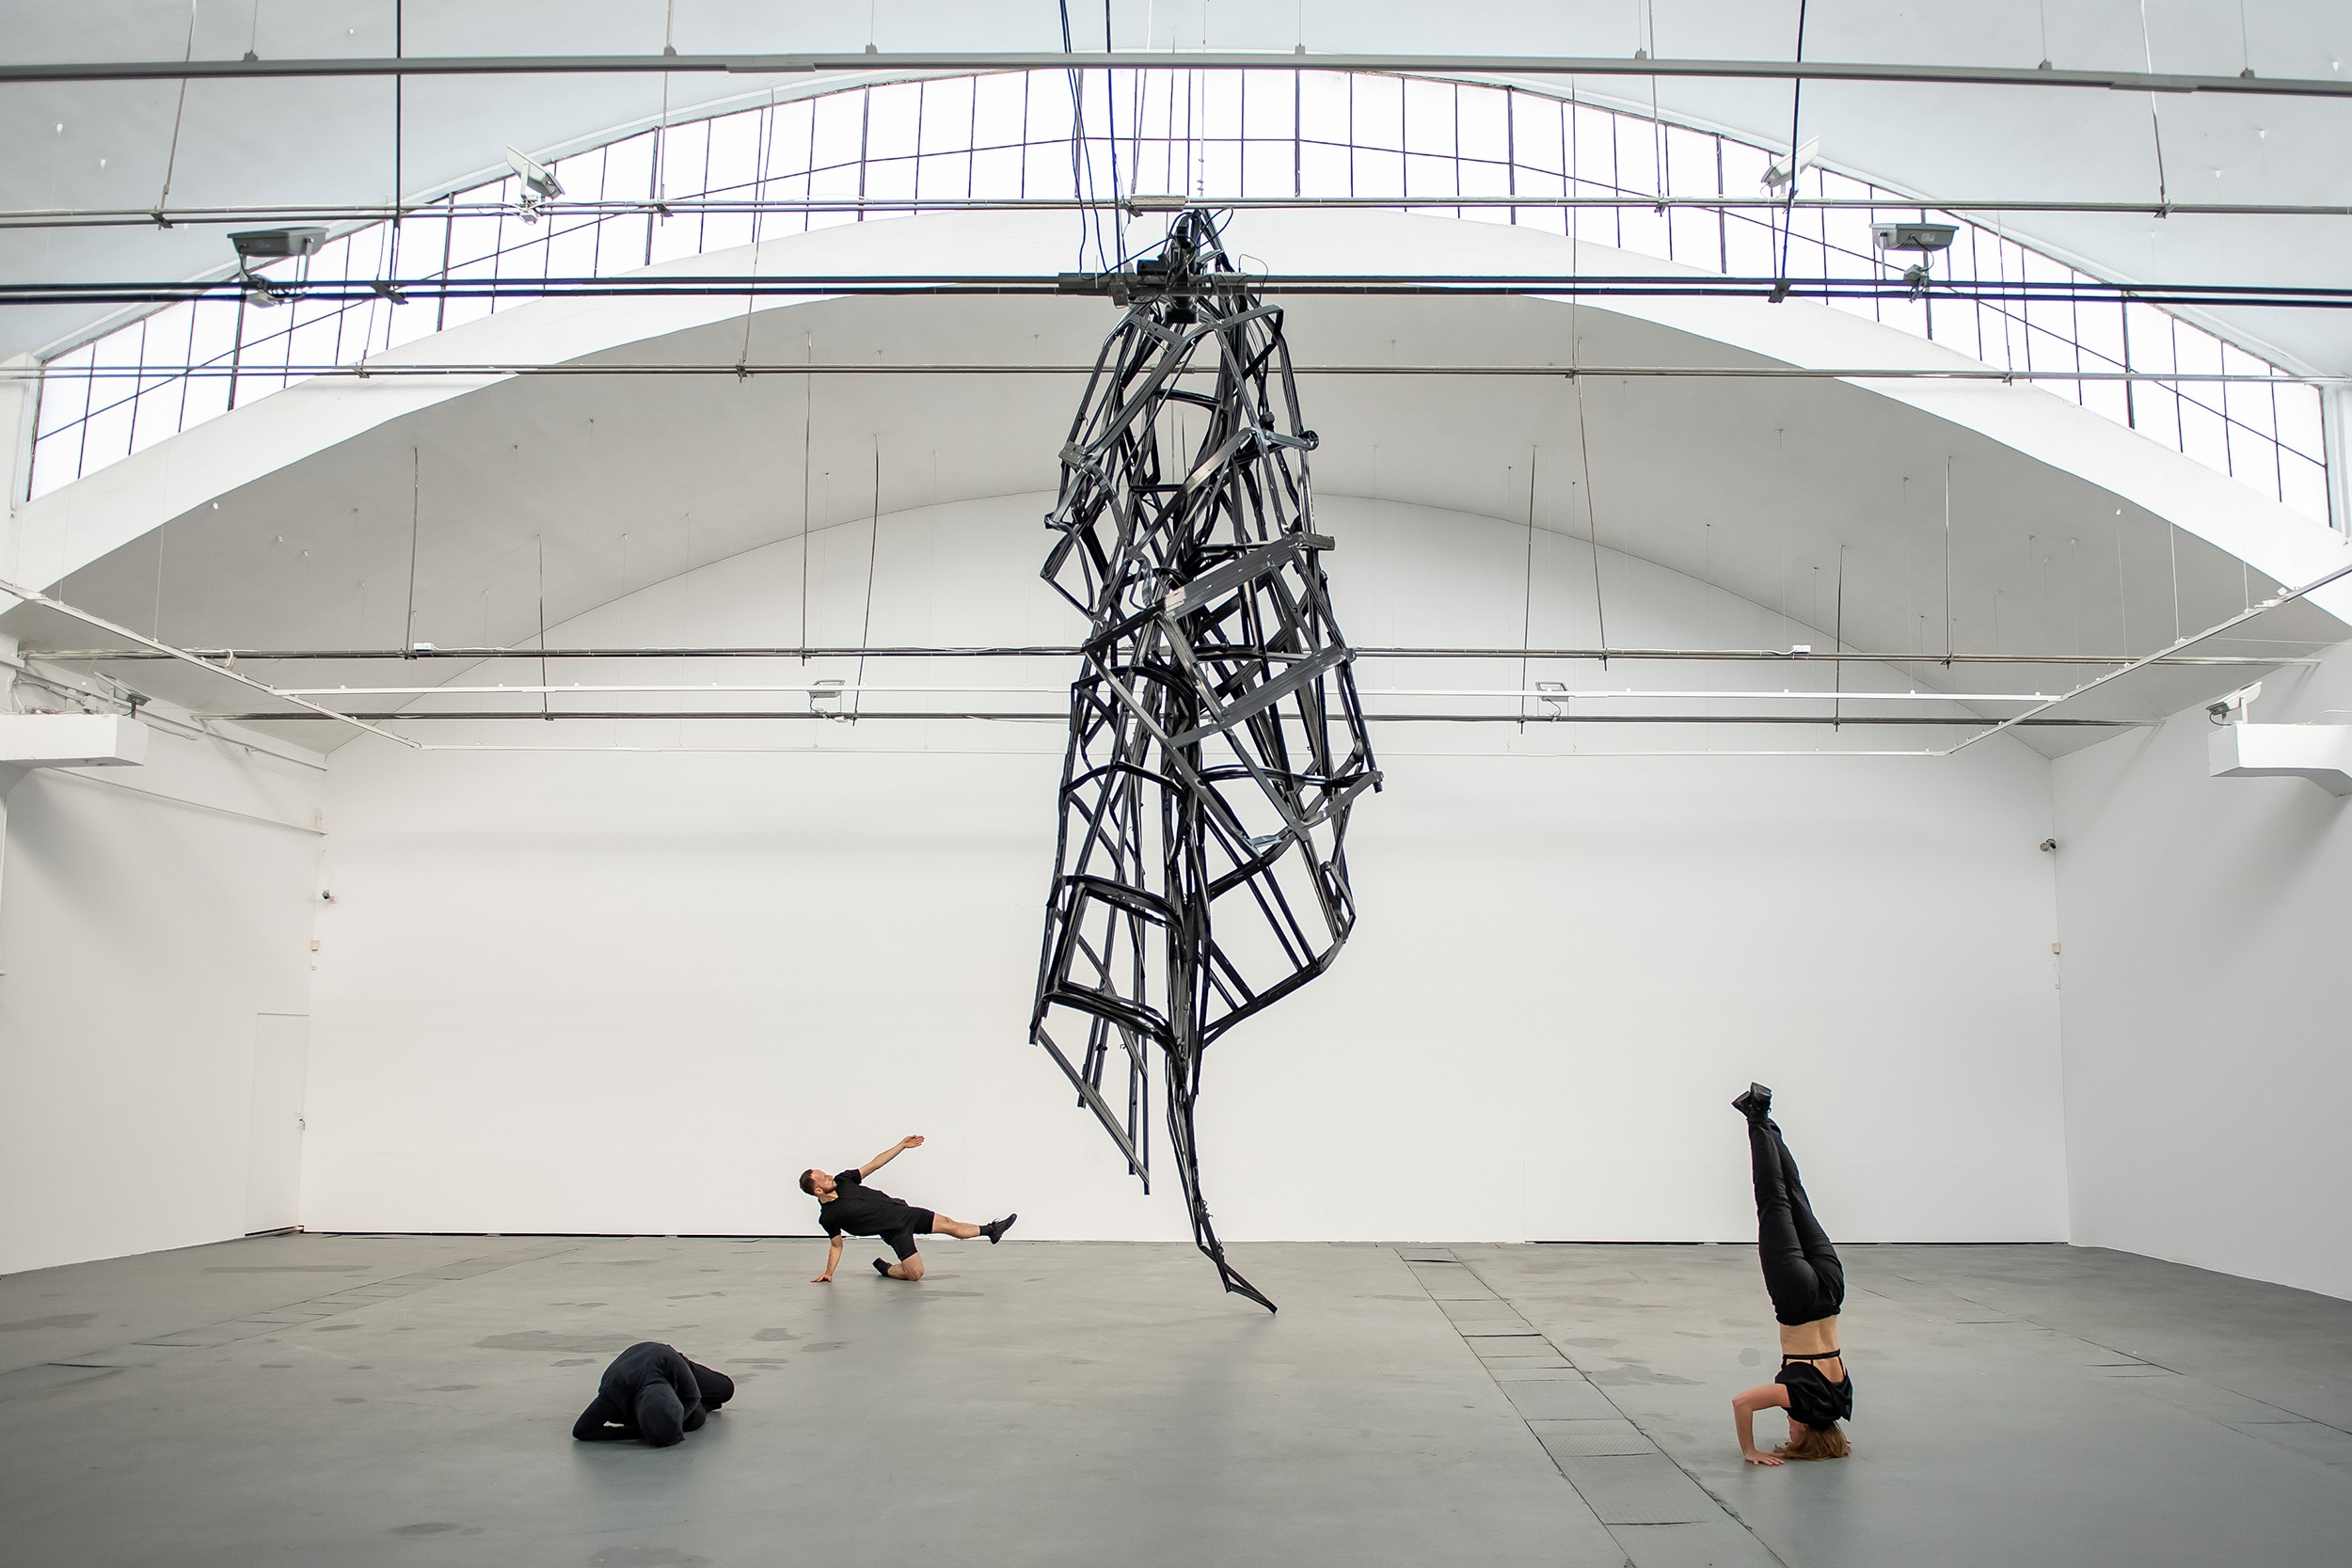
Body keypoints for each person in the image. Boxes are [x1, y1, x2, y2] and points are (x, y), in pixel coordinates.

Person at [1726, 1084, 1854, 1465]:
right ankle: (1757, 1116)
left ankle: (1764, 1118)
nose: (1789, 1429)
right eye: (1793, 1434)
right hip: (1797, 1299)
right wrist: (1750, 1451)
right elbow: (1742, 1402)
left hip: (1831, 1292)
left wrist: (1832, 1438)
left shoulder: (1840, 1402)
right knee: (1773, 1200)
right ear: (1806, 1433)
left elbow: (1830, 1424)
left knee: (1796, 1194)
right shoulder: (1802, 1402)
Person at [803, 1134, 1015, 1282]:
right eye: (824, 1178)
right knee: (915, 1274)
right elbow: (836, 1245)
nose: (829, 1176)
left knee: (949, 1224)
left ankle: (991, 1230)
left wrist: (901, 1146)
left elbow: (874, 1164)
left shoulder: (844, 1179)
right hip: (894, 1232)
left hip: (905, 1213)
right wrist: (829, 1273)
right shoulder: (829, 1216)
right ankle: (887, 1269)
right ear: (818, 1191)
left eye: (826, 1173)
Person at [570, 1341, 735, 1447]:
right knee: (693, 1420)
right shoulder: (614, 1394)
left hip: (660, 1357)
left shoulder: (671, 1363)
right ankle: (693, 1412)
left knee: (726, 1390)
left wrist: (637, 1431)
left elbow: (692, 1397)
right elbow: (581, 1431)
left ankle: (703, 1407)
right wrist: (637, 1431)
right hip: (633, 1369)